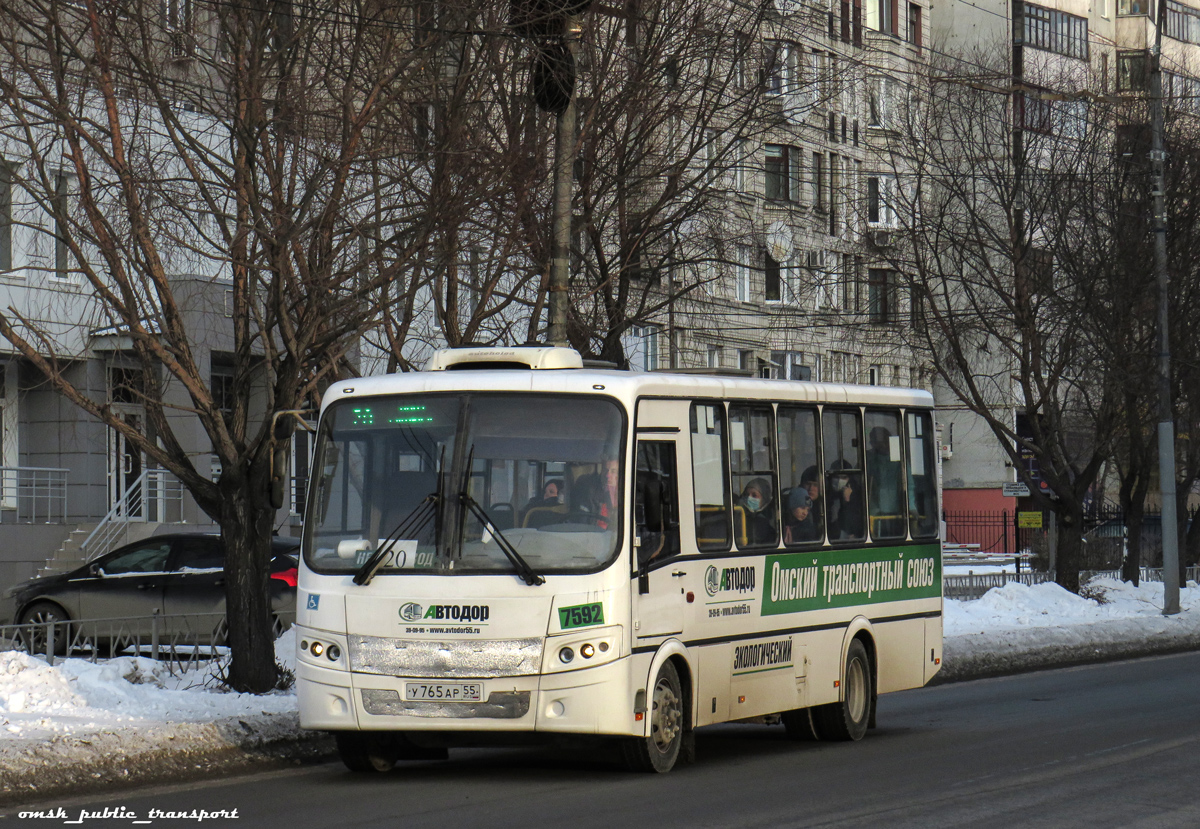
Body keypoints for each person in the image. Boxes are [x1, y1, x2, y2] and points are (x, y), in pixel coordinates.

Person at [866, 426, 903, 537]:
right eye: (875, 442)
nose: (880, 445)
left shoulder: (899, 460)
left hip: (897, 510)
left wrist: (911, 506)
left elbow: (908, 483)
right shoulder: (867, 459)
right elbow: (866, 485)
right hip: (874, 511)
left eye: (882, 442)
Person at [827, 459, 864, 540]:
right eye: (836, 477)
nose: (839, 480)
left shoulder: (857, 495)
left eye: (844, 477)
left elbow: (853, 525)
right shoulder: (825, 493)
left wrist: (847, 500)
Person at [737, 477, 776, 546]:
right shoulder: (739, 518)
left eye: (754, 495)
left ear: (764, 499)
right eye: (746, 494)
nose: (749, 498)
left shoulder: (772, 522)